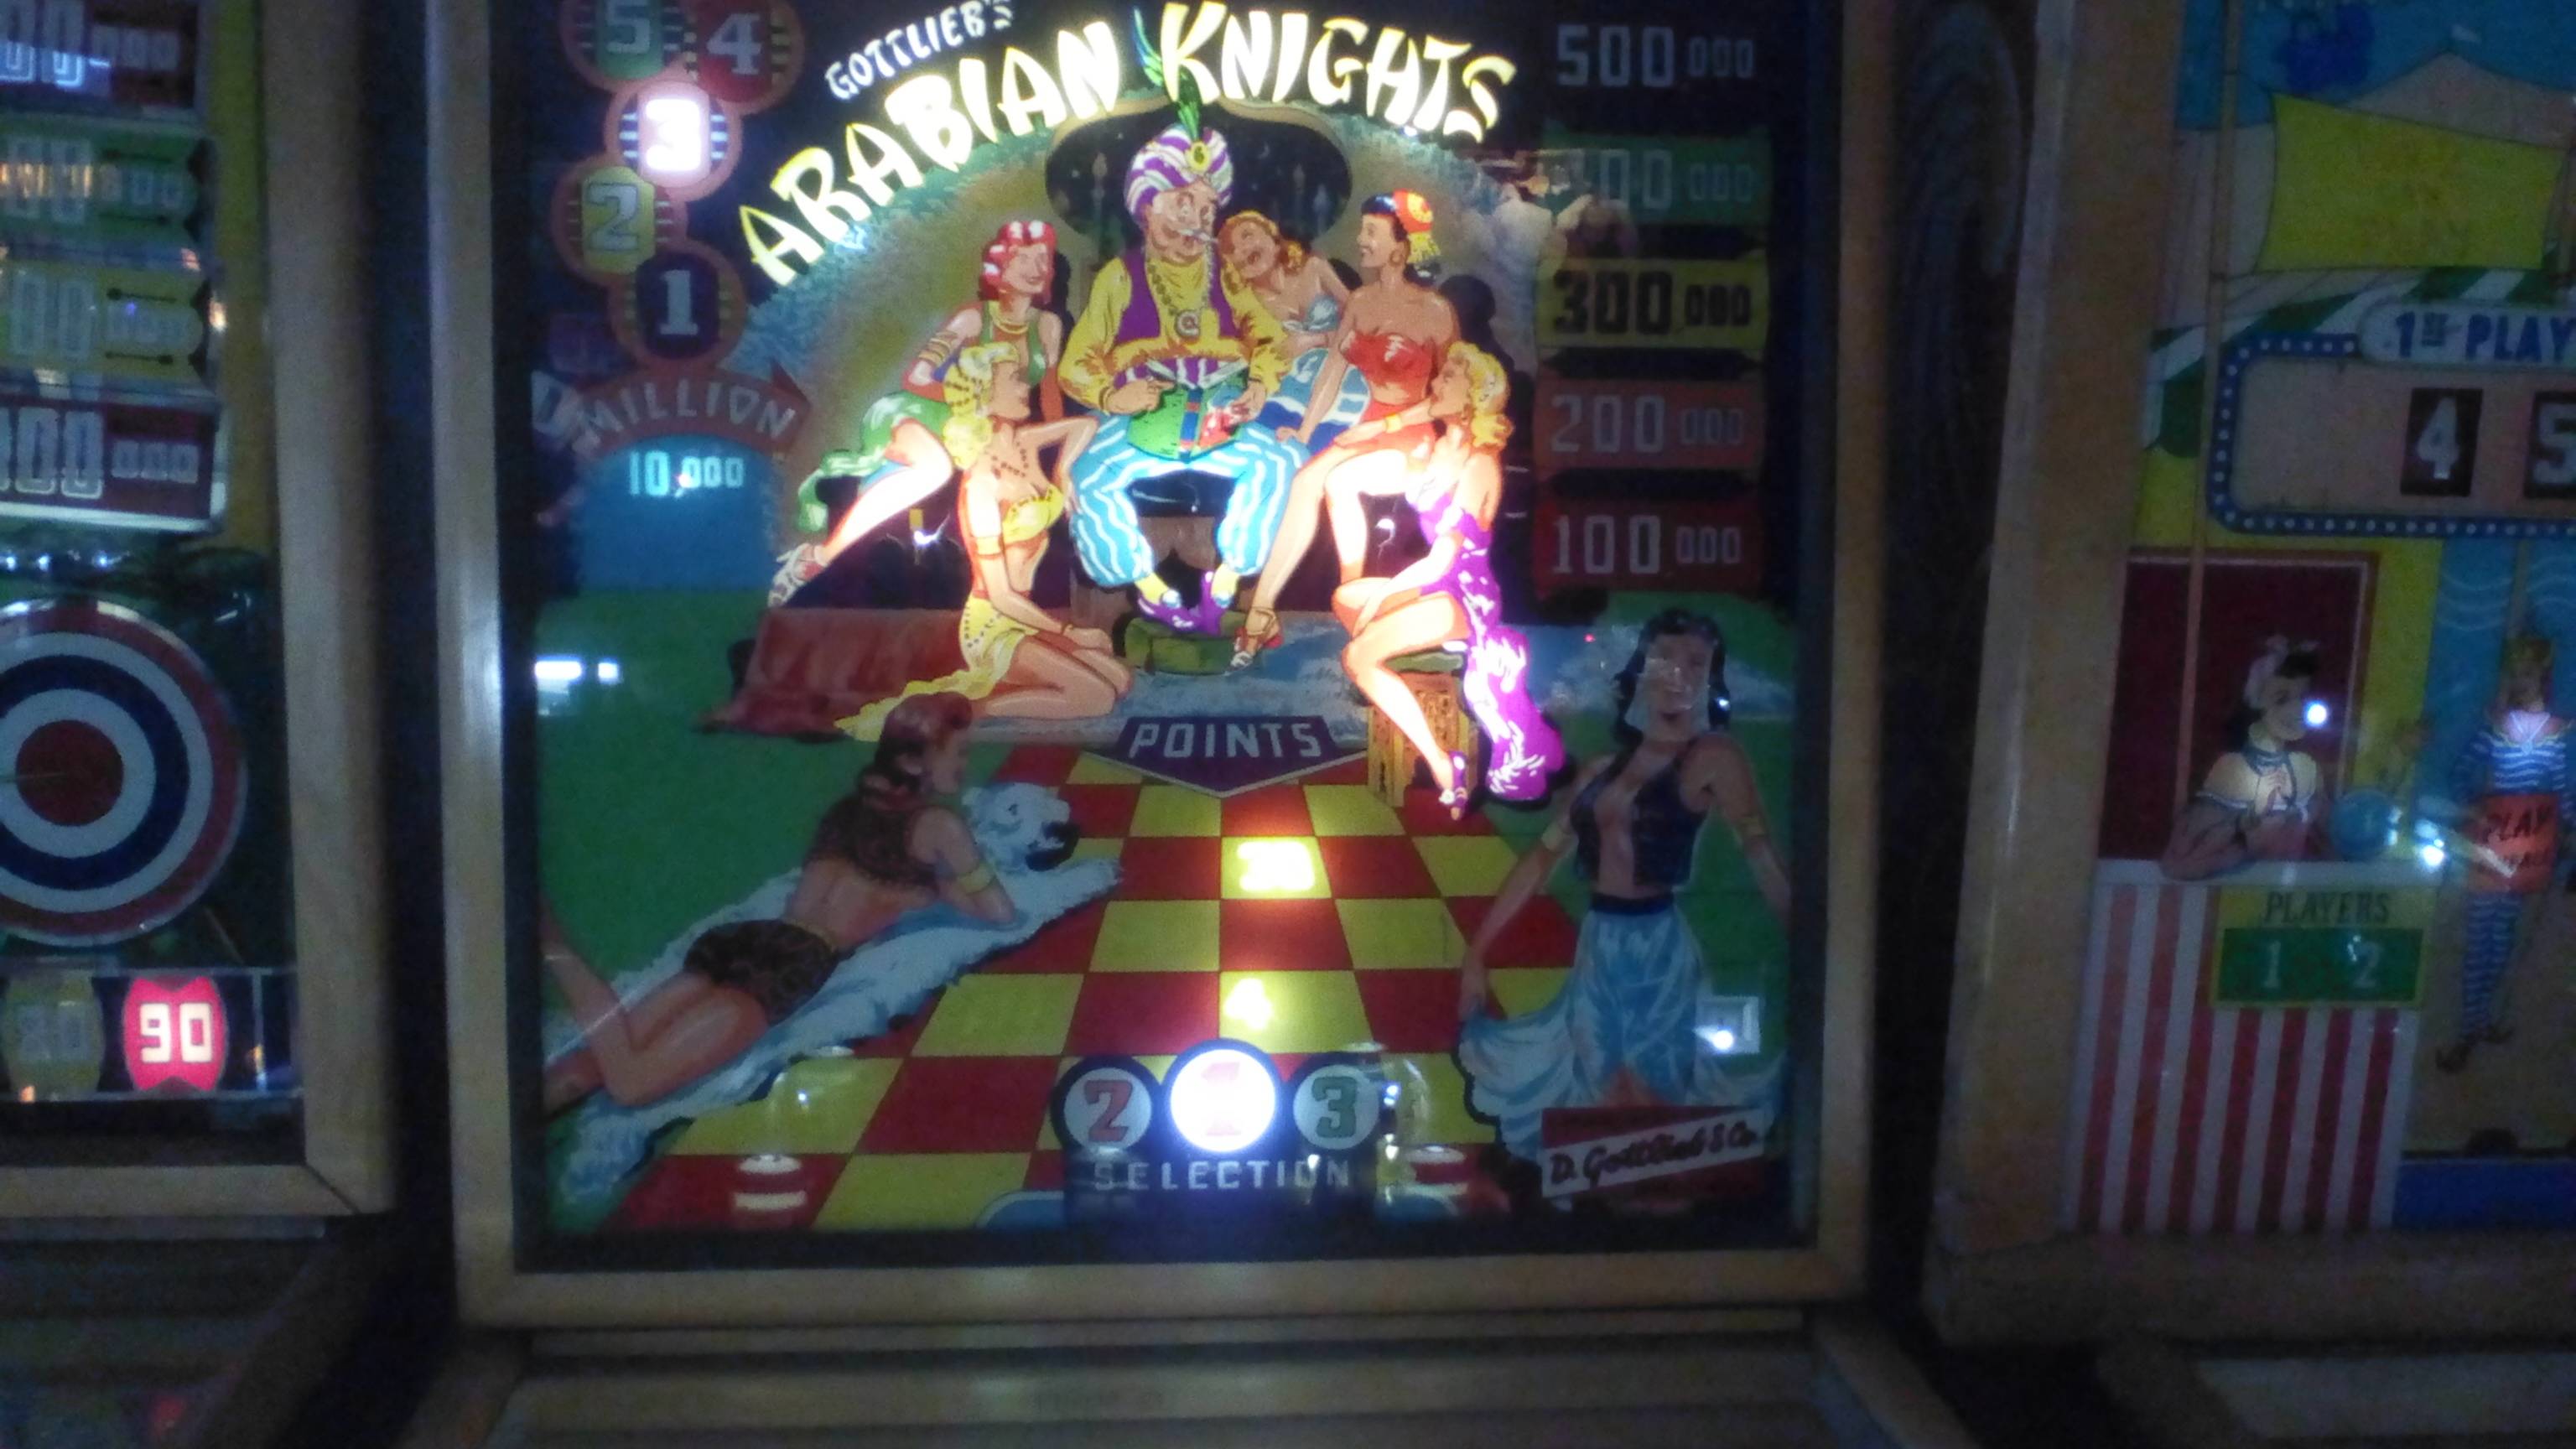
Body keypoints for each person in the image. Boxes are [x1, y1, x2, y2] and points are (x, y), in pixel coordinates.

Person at [543, 693, 1010, 1110]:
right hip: (791, 965)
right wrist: (941, 888)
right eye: (958, 752)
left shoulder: (845, 811)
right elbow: (999, 912)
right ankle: (556, 951)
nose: (963, 765)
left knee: (594, 1063)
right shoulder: (940, 826)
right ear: (913, 761)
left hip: (748, 939)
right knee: (630, 1085)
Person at [1454, 610, 1791, 1161]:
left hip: (1657, 947)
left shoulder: (1713, 758)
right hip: (1599, 944)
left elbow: (1759, 855)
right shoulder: (1600, 772)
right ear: (1642, 669)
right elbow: (1540, 860)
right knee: (1600, 1090)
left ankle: (1664, 1205)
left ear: (1709, 678)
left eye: (1695, 664)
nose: (1677, 676)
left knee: (1654, 1097)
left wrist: (1809, 945)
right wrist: (1478, 952)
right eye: (1665, 660)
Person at [1059, 122, 1302, 633]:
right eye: (1183, 203)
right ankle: (1149, 588)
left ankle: (1229, 579)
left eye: (1207, 209)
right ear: (1148, 206)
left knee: (1283, 461)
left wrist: (1259, 386)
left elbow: (1272, 339)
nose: (1196, 220)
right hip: (1143, 423)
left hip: (1218, 419)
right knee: (1086, 476)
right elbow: (1076, 364)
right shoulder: (1119, 277)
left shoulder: (1226, 273)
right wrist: (1112, 395)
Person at [838, 344, 1131, 738]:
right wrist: (1067, 634)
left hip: (1024, 616)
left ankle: (1021, 682)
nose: (1024, 386)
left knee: (1120, 680)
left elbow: (1085, 427)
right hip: (994, 625)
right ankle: (975, 709)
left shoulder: (1024, 443)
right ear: (983, 395)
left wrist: (1062, 470)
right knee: (1097, 697)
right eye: (1013, 379)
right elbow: (1000, 596)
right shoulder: (982, 483)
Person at [770, 221, 1064, 605]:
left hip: (989, 434)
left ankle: (999, 605)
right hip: (924, 414)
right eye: (1023, 258)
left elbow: (1050, 395)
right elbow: (917, 376)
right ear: (1000, 267)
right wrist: (973, 401)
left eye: (1042, 258)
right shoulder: (974, 319)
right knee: (933, 470)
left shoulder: (1048, 327)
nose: (1035, 267)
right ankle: (815, 560)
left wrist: (1055, 455)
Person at [1325, 345, 1563, 812]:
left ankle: (1440, 763)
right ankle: (1401, 663)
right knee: (1345, 597)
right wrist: (1385, 429)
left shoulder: (1479, 464)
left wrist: (1383, 599)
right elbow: (1403, 424)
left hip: (1464, 594)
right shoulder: (1439, 449)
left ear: (1474, 395)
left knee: (1358, 656)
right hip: (1434, 587)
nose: (1435, 384)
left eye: (1448, 377)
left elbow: (1442, 560)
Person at [1233, 191, 1460, 664]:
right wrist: (1305, 430)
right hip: (1362, 426)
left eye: (1371, 233)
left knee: (1340, 480)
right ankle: (1261, 612)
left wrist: (1450, 448)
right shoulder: (1359, 300)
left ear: (1400, 247)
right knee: (1305, 480)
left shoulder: (1436, 311)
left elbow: (1454, 394)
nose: (1360, 241)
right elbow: (1332, 370)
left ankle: (1351, 596)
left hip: (1411, 436)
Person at [2436, 634, 2573, 1073]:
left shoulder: (2555, 732)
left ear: (2542, 675)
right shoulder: (2494, 727)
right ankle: (2467, 1029)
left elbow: (2561, 788)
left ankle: (2483, 1020)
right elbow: (2460, 776)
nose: (2520, 679)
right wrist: (2478, 806)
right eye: (2516, 672)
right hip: (2494, 839)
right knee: (2482, 936)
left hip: (2529, 844)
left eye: (2528, 672)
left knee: (2502, 937)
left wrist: (2569, 827)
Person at [2160, 637, 2327, 880]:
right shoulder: (2232, 768)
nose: (2298, 709)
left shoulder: (2306, 769)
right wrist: (2243, 833)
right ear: (2256, 702)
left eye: (2304, 697)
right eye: (2282, 699)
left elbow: (2327, 842)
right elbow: (2178, 863)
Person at [1216, 210, 1366, 442]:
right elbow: (1261, 355)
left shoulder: (1314, 267)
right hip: (1290, 382)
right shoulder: (1250, 304)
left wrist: (1316, 340)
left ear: (1273, 236)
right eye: (1232, 249)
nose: (1243, 249)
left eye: (1247, 236)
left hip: (1343, 372)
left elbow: (1362, 325)